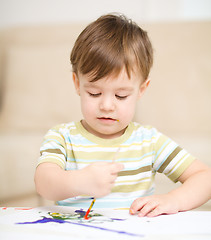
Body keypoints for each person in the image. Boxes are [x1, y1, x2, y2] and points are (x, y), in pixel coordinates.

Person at [34, 13, 211, 217]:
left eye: (121, 95)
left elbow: (204, 177)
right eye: (94, 93)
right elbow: (43, 182)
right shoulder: (63, 137)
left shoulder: (149, 141)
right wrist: (79, 181)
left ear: (141, 90)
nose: (107, 105)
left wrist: (173, 200)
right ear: (77, 84)